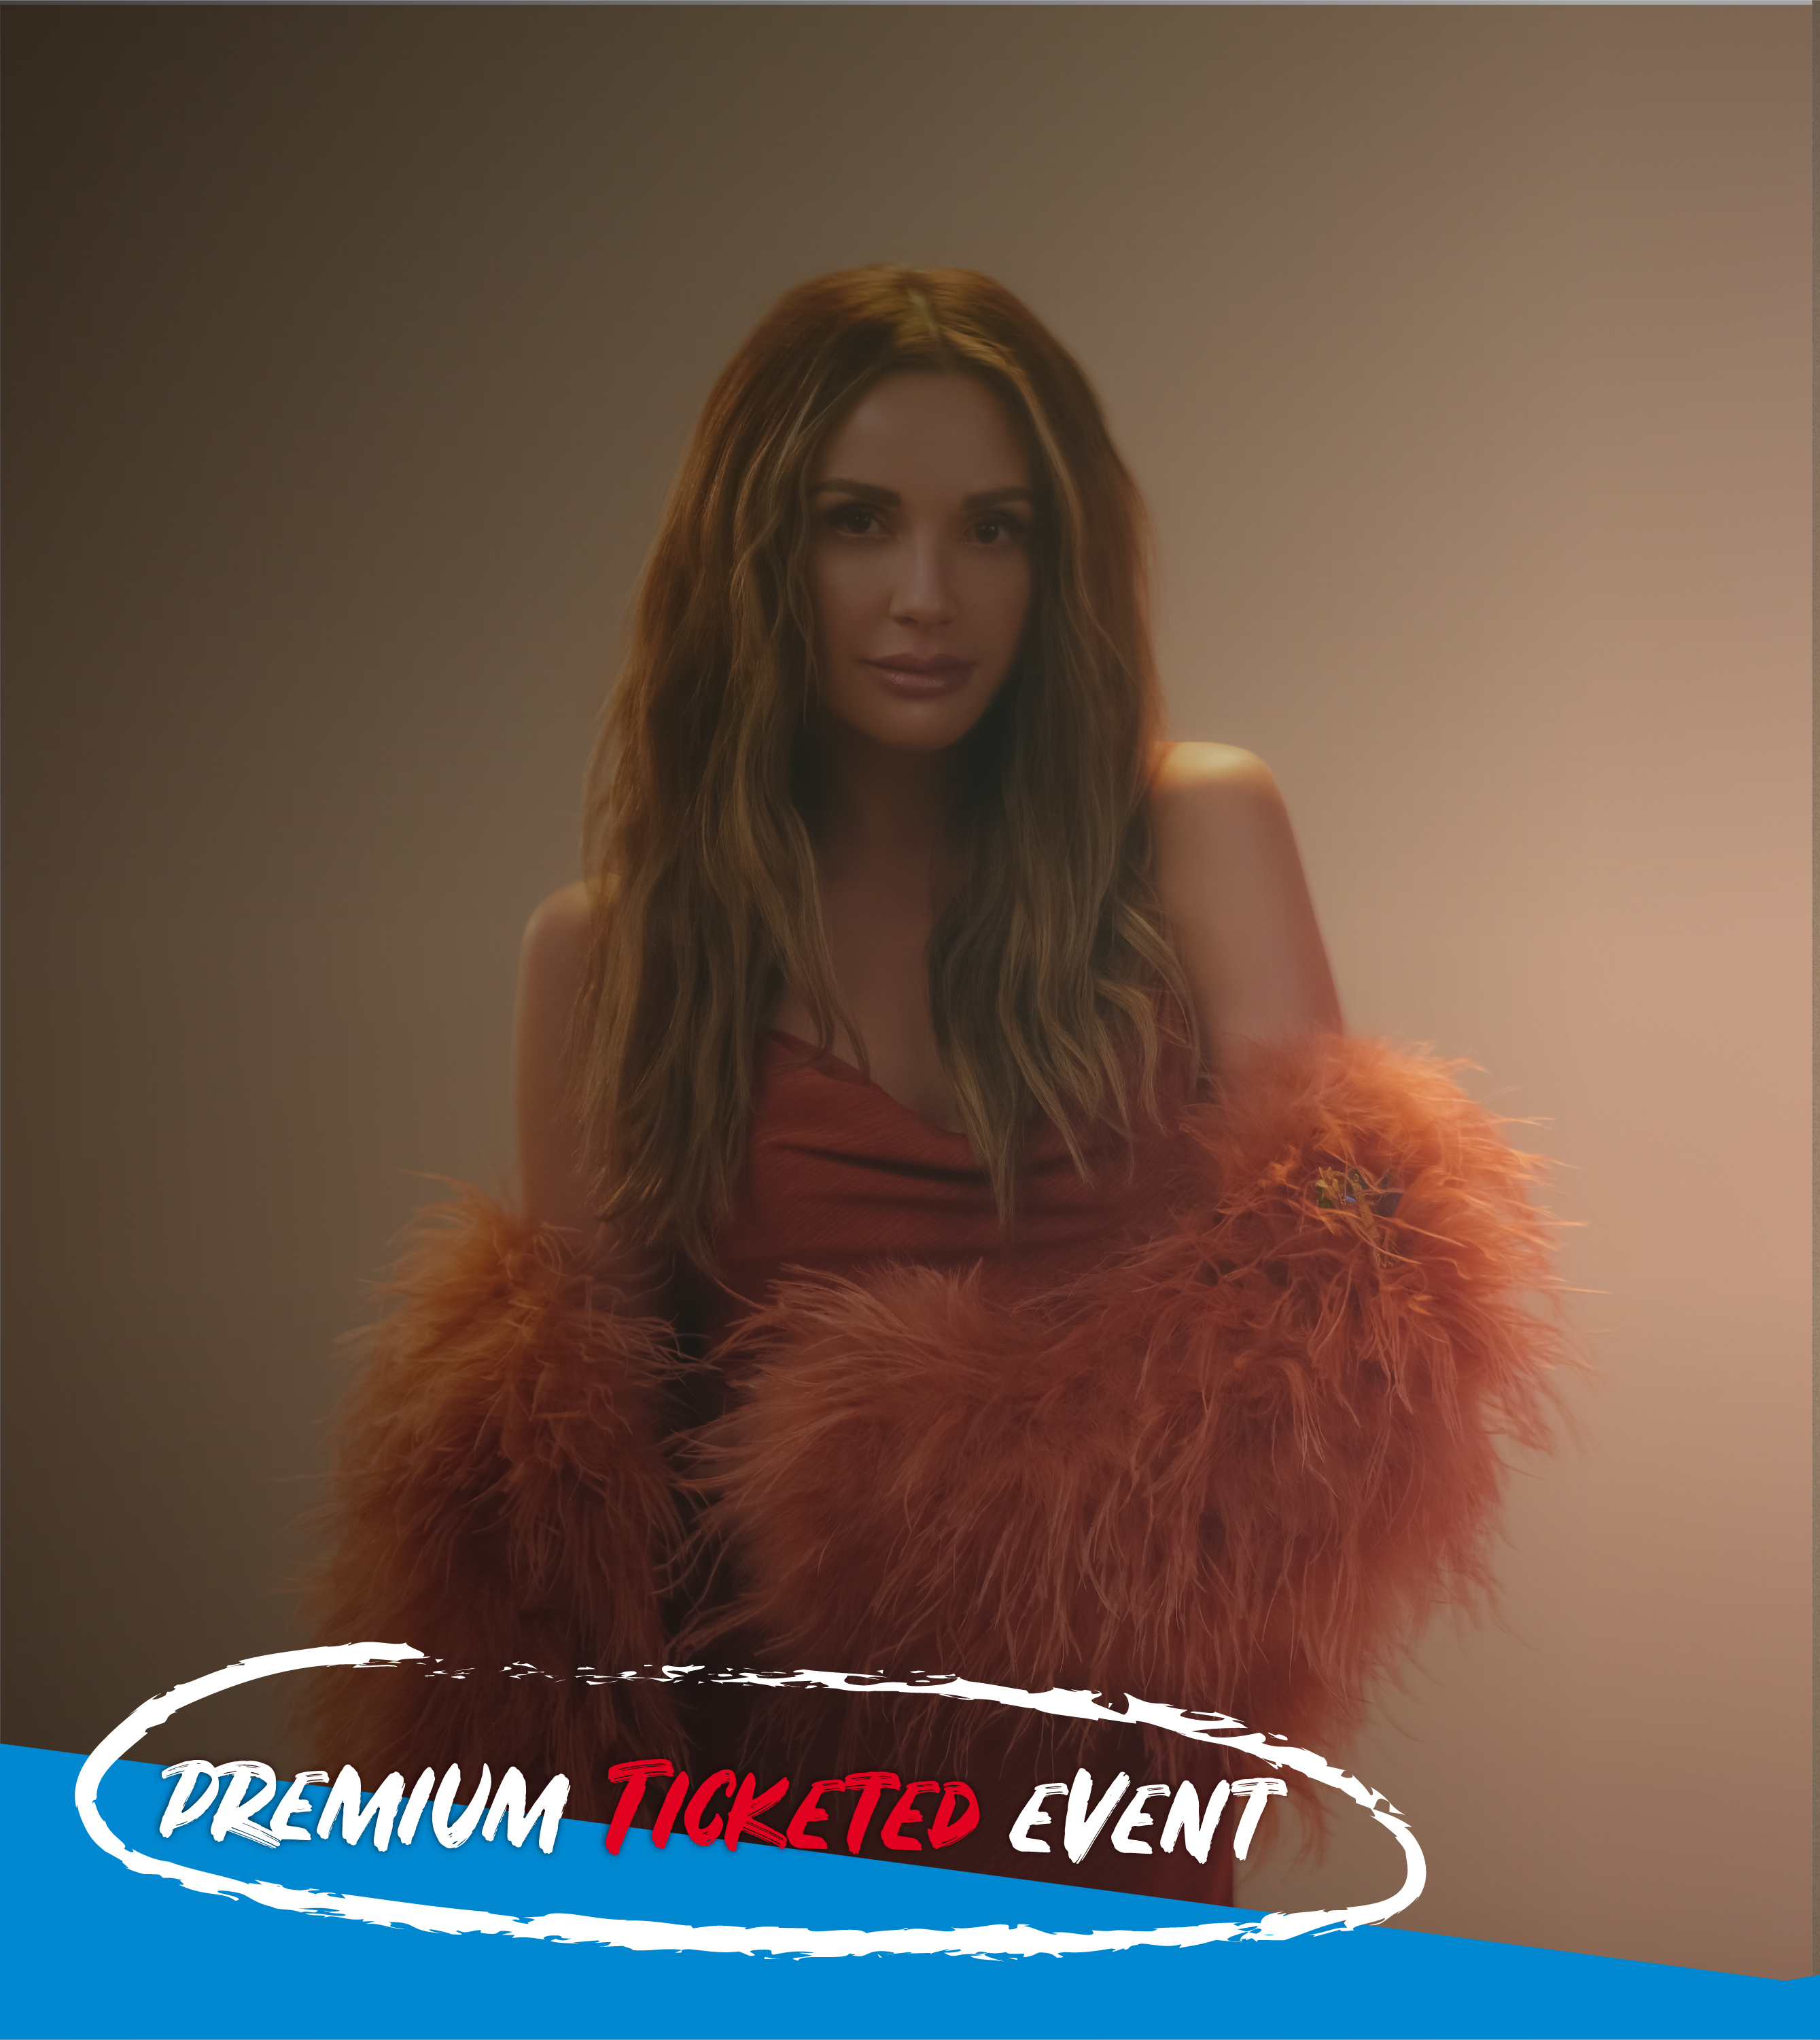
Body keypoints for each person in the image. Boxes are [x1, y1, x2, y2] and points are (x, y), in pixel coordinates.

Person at [300, 266, 1564, 1901]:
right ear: (759, 554)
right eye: (856, 522)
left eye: (992, 530)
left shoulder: (1192, 833)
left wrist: (967, 1507)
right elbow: (573, 1559)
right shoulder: (608, 960)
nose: (925, 594)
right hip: (758, 1848)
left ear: (1059, 562)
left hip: (1093, 1822)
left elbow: (1356, 1322)